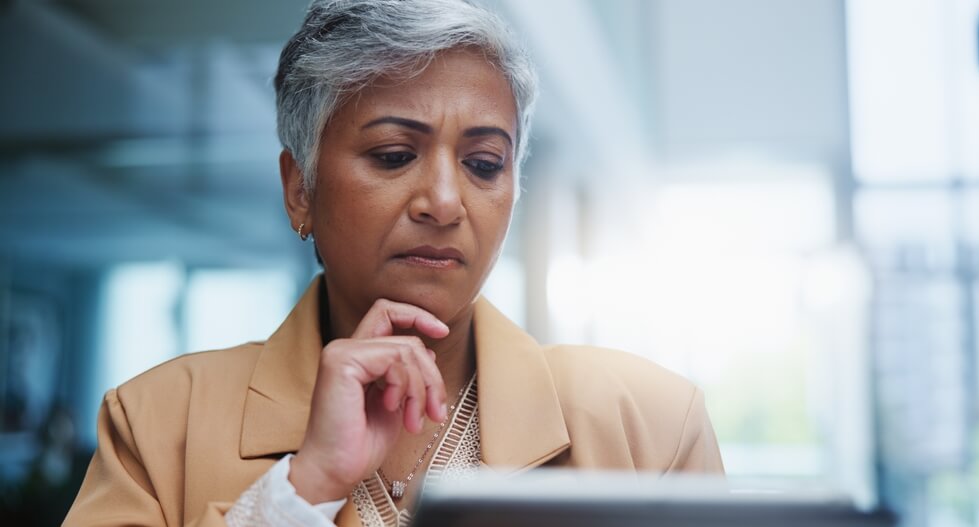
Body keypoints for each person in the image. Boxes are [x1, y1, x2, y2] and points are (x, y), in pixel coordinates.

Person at [63, 1, 724, 526]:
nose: (443, 201)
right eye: (392, 154)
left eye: (484, 164)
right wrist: (303, 490)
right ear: (301, 189)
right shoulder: (158, 423)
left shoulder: (650, 424)